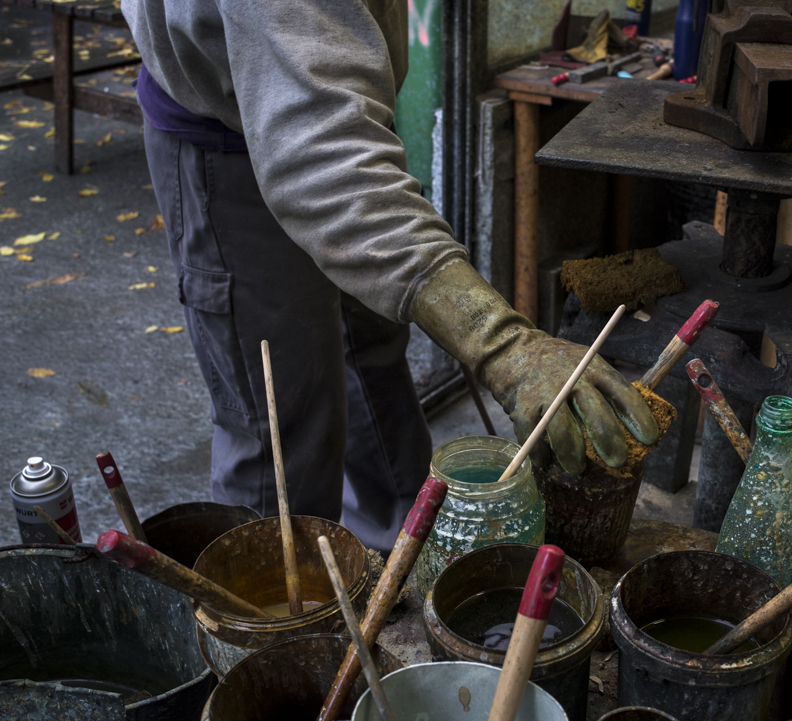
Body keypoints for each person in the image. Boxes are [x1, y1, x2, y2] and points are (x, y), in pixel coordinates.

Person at [122, 0, 660, 554]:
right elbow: (322, 156)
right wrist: (502, 345)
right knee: (282, 429)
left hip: (337, 118)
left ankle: (402, 556)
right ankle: (286, 621)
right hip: (236, 140)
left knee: (375, 361)